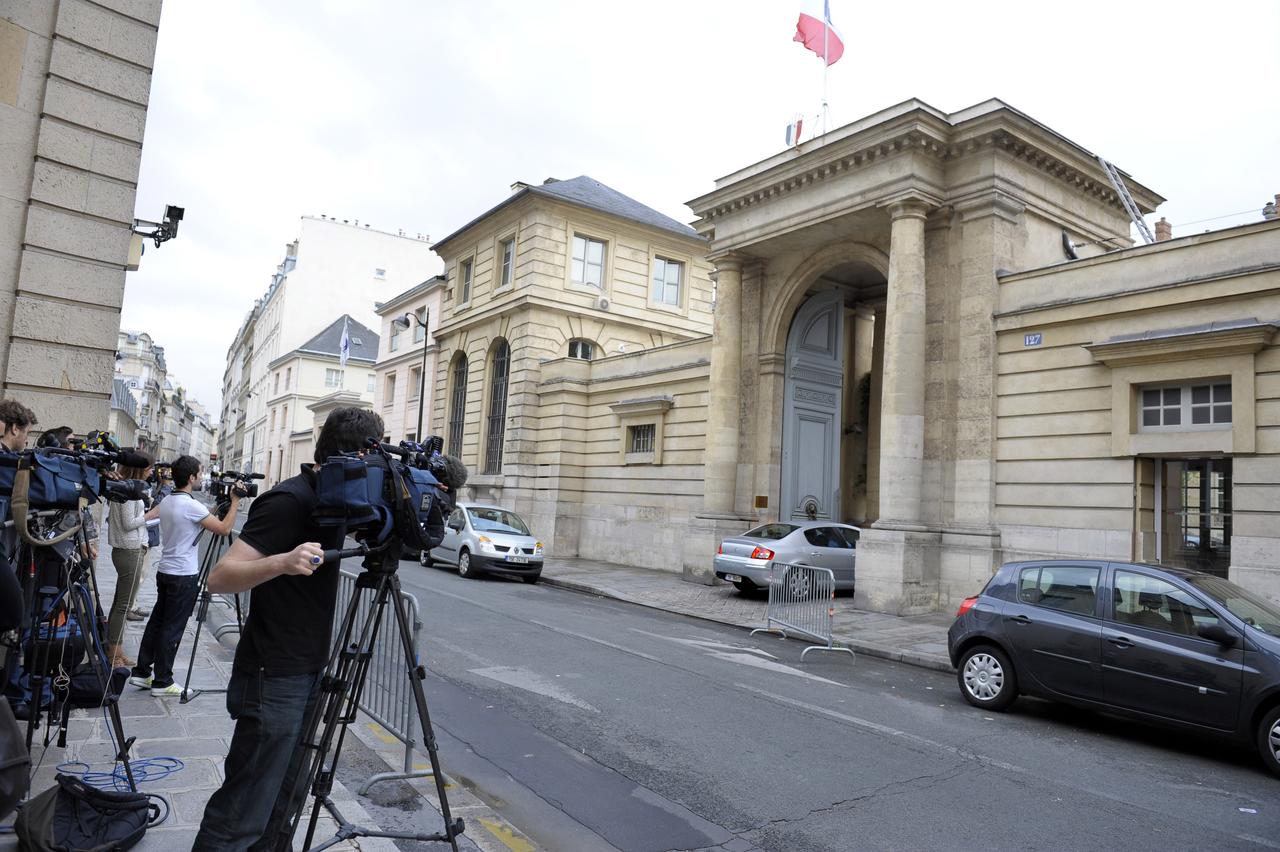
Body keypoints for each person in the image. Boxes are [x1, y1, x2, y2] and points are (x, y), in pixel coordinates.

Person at [193, 406, 383, 852]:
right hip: (273, 674)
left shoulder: (338, 503)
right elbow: (220, 577)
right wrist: (282, 561)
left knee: (286, 798)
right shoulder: (288, 500)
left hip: (310, 669)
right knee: (245, 808)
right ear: (351, 458)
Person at [128, 455, 241, 698]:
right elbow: (224, 529)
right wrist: (235, 503)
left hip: (166, 571)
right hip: (183, 575)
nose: (201, 477)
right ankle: (163, 681)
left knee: (158, 622)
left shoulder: (169, 500)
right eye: (200, 474)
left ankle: (141, 672)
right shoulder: (190, 506)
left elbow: (199, 518)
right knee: (173, 627)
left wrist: (219, 507)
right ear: (191, 477)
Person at [104, 453, 158, 668]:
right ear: (139, 469)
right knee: (123, 606)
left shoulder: (126, 488)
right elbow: (128, 523)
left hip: (128, 549)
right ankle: (114, 655)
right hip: (129, 550)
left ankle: (115, 649)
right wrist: (151, 514)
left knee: (120, 603)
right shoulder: (128, 491)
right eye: (149, 467)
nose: (152, 471)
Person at [128, 466, 172, 623]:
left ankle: (133, 604)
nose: (152, 472)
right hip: (143, 536)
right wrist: (166, 486)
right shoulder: (138, 487)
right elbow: (155, 507)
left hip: (146, 535)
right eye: (149, 468)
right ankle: (129, 607)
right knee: (139, 575)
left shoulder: (143, 485)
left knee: (141, 574)